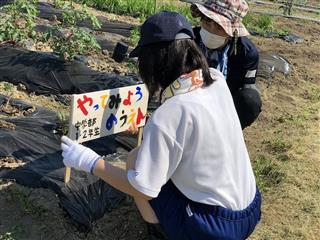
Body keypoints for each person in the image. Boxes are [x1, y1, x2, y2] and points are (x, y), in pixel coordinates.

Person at [61, 11, 261, 240]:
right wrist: (149, 123)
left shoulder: (171, 113)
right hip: (250, 207)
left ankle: (161, 234)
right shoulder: (215, 79)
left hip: (215, 229)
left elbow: (141, 188)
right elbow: (187, 126)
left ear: (154, 61)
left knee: (138, 172)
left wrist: (89, 162)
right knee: (136, 157)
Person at [181, 0, 262, 129]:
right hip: (188, 99)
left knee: (250, 99)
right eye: (207, 21)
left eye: (219, 27)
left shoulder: (246, 53)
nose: (211, 30)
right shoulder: (188, 42)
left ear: (232, 32)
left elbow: (246, 87)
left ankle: (229, 132)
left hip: (226, 102)